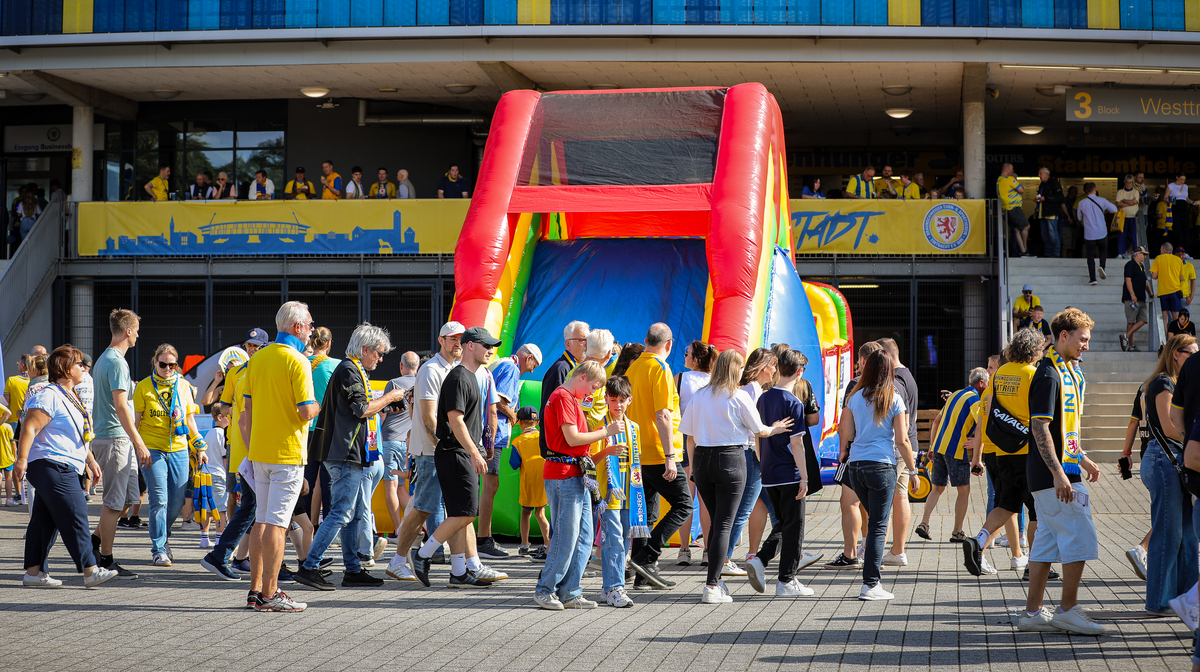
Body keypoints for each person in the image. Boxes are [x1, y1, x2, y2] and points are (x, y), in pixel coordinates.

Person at [1017, 308, 1106, 635]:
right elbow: (1039, 426)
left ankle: (1032, 614)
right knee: (1079, 537)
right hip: (1054, 476)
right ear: (1063, 336)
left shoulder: (1063, 370)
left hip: (1054, 473)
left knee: (1046, 543)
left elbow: (1063, 432)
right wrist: (1058, 473)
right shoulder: (1049, 374)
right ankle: (1068, 609)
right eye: (1082, 339)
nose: (1086, 346)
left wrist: (1082, 458)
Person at [294, 323, 401, 590]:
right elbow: (361, 409)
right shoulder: (349, 369)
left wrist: (387, 401)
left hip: (347, 451)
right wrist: (388, 398)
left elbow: (358, 407)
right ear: (364, 349)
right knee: (342, 512)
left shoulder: (352, 369)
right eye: (378, 352)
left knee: (350, 513)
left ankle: (352, 570)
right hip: (343, 452)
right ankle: (309, 566)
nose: (380, 358)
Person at [681, 349, 792, 604]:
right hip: (731, 458)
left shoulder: (700, 396)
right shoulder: (739, 396)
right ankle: (712, 584)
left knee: (718, 520)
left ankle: (715, 581)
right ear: (735, 369)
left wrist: (694, 469)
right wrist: (777, 428)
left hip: (702, 460)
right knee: (724, 524)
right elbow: (760, 431)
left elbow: (689, 436)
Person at [15, 346, 118, 589]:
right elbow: (29, 427)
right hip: (51, 464)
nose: (83, 368)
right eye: (78, 364)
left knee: (44, 521)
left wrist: (89, 460)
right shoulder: (49, 394)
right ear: (65, 369)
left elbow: (78, 435)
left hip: (63, 464)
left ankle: (33, 573)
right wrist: (21, 459)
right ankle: (90, 570)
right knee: (77, 512)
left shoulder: (69, 395)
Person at [410, 327, 504, 589]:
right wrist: (475, 452)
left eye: (492, 346)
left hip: (458, 452)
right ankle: (423, 554)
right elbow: (455, 419)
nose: (490, 350)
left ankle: (459, 571)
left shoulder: (471, 377)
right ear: (470, 345)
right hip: (455, 453)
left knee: (460, 512)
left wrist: (480, 447)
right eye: (486, 345)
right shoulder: (460, 378)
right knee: (466, 513)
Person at [241, 301, 319, 612]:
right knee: (277, 523)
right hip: (286, 451)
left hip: (260, 451)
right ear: (297, 327)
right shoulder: (298, 361)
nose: (312, 330)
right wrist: (317, 406)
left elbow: (246, 410)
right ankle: (270, 594)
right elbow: (304, 410)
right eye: (310, 325)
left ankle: (256, 590)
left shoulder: (257, 359)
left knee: (262, 520)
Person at [528, 360, 622, 609]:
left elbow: (578, 449)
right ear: (581, 377)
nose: (593, 393)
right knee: (566, 536)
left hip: (574, 473)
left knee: (583, 537)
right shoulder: (563, 397)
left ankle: (569, 590)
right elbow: (572, 438)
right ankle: (545, 589)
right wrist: (606, 432)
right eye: (593, 386)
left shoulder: (570, 398)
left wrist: (605, 449)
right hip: (563, 474)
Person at [744, 348, 823, 598]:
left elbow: (758, 436)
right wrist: (805, 476)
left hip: (768, 472)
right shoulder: (793, 402)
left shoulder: (763, 398)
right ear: (799, 372)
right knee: (794, 526)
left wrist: (763, 461)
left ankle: (763, 560)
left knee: (784, 524)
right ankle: (785, 579)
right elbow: (797, 444)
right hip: (789, 473)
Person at [838, 349, 915, 601]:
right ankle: (871, 584)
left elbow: (847, 433)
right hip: (882, 465)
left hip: (856, 466)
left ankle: (870, 579)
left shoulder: (854, 396)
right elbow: (903, 440)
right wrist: (913, 470)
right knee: (879, 526)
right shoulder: (893, 397)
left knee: (873, 522)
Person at [388, 322, 463, 582]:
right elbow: (428, 417)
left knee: (459, 510)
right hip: (433, 452)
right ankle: (398, 560)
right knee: (423, 508)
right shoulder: (431, 370)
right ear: (441, 340)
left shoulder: (453, 368)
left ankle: (462, 567)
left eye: (460, 339)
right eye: (452, 339)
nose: (457, 343)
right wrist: (442, 445)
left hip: (441, 450)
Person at [198, 328, 270, 581]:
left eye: (257, 346)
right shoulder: (237, 373)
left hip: (258, 447)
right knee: (255, 507)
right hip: (246, 448)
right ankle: (234, 558)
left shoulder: (266, 369)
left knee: (253, 507)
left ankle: (230, 557)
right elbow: (224, 405)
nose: (253, 349)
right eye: (250, 345)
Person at [624, 323, 691, 589]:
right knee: (683, 503)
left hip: (637, 450)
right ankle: (647, 556)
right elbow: (663, 414)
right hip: (656, 450)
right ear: (669, 344)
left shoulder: (634, 366)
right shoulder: (660, 369)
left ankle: (643, 574)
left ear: (646, 340)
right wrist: (670, 456)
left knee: (646, 513)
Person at [1139, 333, 1199, 614]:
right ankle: (1159, 601)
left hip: (1170, 460)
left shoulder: (1174, 382)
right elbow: (1168, 426)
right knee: (1168, 534)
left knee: (1187, 534)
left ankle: (1185, 600)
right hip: (1164, 460)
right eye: (1190, 352)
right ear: (1175, 353)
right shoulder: (1164, 382)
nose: (1194, 357)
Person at [133, 343, 208, 567]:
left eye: (172, 365)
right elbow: (135, 423)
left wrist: (200, 447)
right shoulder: (144, 387)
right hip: (152, 449)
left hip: (179, 448)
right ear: (155, 362)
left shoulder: (184, 386)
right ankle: (158, 548)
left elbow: (190, 421)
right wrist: (137, 447)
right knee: (159, 499)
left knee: (176, 503)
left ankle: (164, 538)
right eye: (163, 364)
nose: (167, 368)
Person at [89, 309, 149, 580]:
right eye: (136, 329)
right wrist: (139, 441)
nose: (137, 334)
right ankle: (106, 560)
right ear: (127, 331)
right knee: (114, 503)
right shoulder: (116, 362)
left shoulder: (105, 359)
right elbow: (121, 406)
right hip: (115, 439)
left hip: (113, 437)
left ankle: (92, 544)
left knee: (126, 499)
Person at [479, 343, 542, 560]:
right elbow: (498, 401)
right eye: (535, 364)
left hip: (489, 432)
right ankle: (483, 539)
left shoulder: (502, 364)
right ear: (528, 358)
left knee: (489, 484)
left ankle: (483, 536)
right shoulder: (512, 368)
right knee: (491, 484)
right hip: (492, 433)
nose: (533, 370)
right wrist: (513, 415)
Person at [916, 368, 987, 545]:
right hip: (955, 450)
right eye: (987, 383)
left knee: (937, 488)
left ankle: (924, 524)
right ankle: (957, 532)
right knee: (964, 491)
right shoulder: (975, 400)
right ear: (981, 384)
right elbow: (981, 426)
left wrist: (931, 446)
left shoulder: (955, 395)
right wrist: (976, 442)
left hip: (939, 447)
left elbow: (937, 421)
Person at [593, 375, 645, 608]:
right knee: (613, 541)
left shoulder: (634, 428)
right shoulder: (600, 426)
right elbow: (589, 460)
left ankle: (607, 588)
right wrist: (608, 451)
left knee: (622, 543)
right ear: (606, 399)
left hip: (629, 495)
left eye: (622, 400)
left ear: (630, 400)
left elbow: (637, 463)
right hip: (607, 494)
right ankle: (617, 588)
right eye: (613, 400)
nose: (618, 405)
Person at [729, 348, 778, 578]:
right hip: (753, 455)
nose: (775, 370)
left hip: (756, 455)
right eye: (773, 365)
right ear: (762, 367)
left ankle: (791, 553)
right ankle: (725, 558)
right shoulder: (751, 391)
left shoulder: (755, 390)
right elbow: (754, 429)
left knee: (777, 510)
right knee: (744, 510)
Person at [876, 337, 917, 567]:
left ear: (886, 355)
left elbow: (905, 422)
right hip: (905, 446)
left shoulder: (897, 380)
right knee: (900, 496)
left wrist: (913, 468)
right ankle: (897, 551)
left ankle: (888, 550)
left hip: (898, 447)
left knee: (889, 499)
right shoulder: (907, 376)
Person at [676, 340, 717, 566]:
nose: (684, 356)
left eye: (686, 353)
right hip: (709, 439)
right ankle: (708, 551)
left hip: (685, 439)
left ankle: (684, 549)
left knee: (686, 497)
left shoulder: (680, 378)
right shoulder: (716, 380)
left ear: (695, 359)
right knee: (705, 499)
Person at [380, 350, 418, 575]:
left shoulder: (393, 383)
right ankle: (411, 526)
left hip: (391, 440)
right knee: (404, 486)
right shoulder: (421, 382)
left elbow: (384, 411)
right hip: (409, 442)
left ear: (402, 366)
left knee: (391, 486)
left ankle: (399, 530)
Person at [508, 407, 548, 556]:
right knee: (541, 513)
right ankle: (547, 543)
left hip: (528, 482)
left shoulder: (517, 441)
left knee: (526, 513)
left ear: (519, 423)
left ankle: (524, 545)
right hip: (544, 480)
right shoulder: (542, 438)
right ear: (537, 422)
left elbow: (514, 464)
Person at [1077, 182, 1117, 285]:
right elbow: (1114, 209)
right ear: (1095, 189)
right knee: (1103, 250)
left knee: (1090, 255)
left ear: (1085, 191)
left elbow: (1079, 218)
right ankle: (1102, 267)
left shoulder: (1081, 203)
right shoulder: (1102, 200)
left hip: (1089, 234)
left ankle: (1093, 279)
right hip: (1102, 232)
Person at [201, 408, 230, 548]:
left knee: (206, 508)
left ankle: (204, 538)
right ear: (220, 417)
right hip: (220, 475)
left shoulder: (208, 434)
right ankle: (219, 538)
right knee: (221, 509)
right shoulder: (223, 435)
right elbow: (225, 459)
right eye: (228, 416)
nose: (230, 419)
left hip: (206, 475)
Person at [1123, 246, 1154, 352]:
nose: (1145, 256)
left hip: (1141, 298)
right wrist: (1132, 294)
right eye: (1143, 254)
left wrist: (1151, 293)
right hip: (1132, 298)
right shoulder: (1130, 265)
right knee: (1131, 322)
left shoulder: (1141, 266)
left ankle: (1126, 336)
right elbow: (1128, 280)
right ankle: (1131, 345)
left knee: (1143, 319)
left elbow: (1146, 281)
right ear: (1137, 254)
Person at [997, 163, 1030, 257]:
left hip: (1005, 209)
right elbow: (1022, 190)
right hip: (1014, 208)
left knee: (1016, 230)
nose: (1013, 171)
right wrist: (1015, 180)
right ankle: (1025, 248)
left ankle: (1023, 252)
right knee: (1026, 227)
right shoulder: (1010, 179)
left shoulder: (999, 179)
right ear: (1007, 170)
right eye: (1012, 169)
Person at [1153, 242, 1187, 331]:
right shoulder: (1178, 260)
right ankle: (1175, 340)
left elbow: (1153, 276)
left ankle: (1165, 341)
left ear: (1164, 250)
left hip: (1163, 292)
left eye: (1161, 250)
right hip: (1175, 292)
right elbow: (1181, 278)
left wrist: (1161, 274)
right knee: (1176, 318)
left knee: (1164, 319)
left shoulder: (1158, 258)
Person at [1035, 167, 1065, 258]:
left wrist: (1046, 198)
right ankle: (1048, 252)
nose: (1039, 175)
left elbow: (1060, 197)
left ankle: (1056, 252)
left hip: (1051, 213)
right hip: (1042, 213)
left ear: (1046, 174)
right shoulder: (1042, 184)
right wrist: (1036, 211)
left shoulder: (1054, 183)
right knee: (1045, 235)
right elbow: (1039, 199)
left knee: (1052, 233)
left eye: (1040, 173)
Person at [5, 354, 32, 435]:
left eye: (18, 364)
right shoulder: (34, 382)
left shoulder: (11, 380)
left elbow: (5, 404)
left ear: (23, 365)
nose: (18, 366)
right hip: (30, 421)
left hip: (14, 420)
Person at [1116, 174, 1141, 259]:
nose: (1128, 184)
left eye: (1130, 182)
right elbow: (1118, 204)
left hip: (1134, 217)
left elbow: (1135, 202)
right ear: (1124, 182)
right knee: (1121, 236)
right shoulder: (1120, 192)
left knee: (1134, 236)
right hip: (1122, 217)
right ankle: (1120, 254)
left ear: (1133, 183)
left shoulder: (1135, 192)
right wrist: (1130, 202)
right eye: (1127, 182)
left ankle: (1135, 254)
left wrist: (1123, 201)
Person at [1168, 172, 1193, 253]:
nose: (1182, 181)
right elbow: (1165, 197)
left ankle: (1185, 252)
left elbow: (1187, 198)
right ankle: (1176, 250)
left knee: (1186, 231)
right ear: (1177, 177)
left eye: (1184, 180)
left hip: (1184, 208)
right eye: (1181, 179)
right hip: (1175, 208)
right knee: (1177, 231)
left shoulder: (1185, 186)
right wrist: (1171, 199)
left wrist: (1193, 202)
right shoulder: (1171, 186)